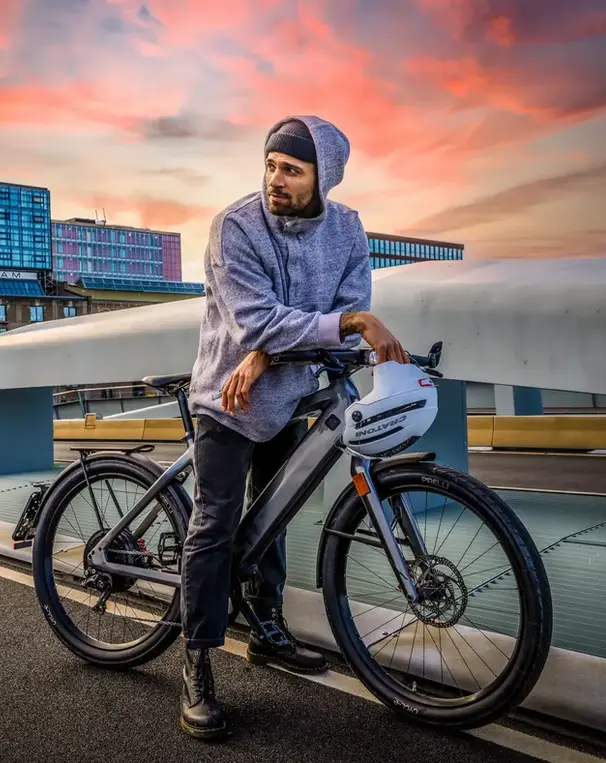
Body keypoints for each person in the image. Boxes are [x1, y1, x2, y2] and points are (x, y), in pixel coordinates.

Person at [180, 115, 411, 739]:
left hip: (286, 393)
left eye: (291, 169)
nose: (275, 179)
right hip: (228, 397)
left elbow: (346, 304)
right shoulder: (235, 226)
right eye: (271, 165)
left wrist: (269, 353)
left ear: (322, 177)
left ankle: (265, 628)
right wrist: (324, 330)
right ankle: (196, 659)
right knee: (215, 522)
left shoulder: (347, 228)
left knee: (271, 516)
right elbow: (260, 319)